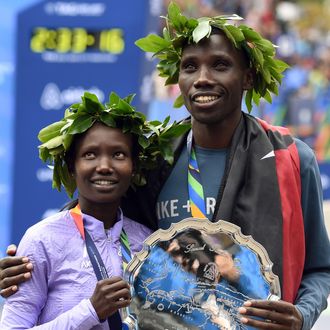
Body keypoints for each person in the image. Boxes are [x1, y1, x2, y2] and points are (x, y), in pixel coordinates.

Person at [1, 2, 330, 329]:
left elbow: (319, 269)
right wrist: (27, 265)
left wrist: (302, 314)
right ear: (179, 78)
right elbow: (94, 225)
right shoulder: (155, 160)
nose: (202, 78)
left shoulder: (290, 158)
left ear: (247, 76)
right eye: (190, 67)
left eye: (219, 65)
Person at [0, 91, 189, 329]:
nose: (104, 166)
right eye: (90, 155)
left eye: (118, 154)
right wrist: (90, 311)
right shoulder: (42, 240)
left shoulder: (149, 243)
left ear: (134, 166)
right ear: (71, 167)